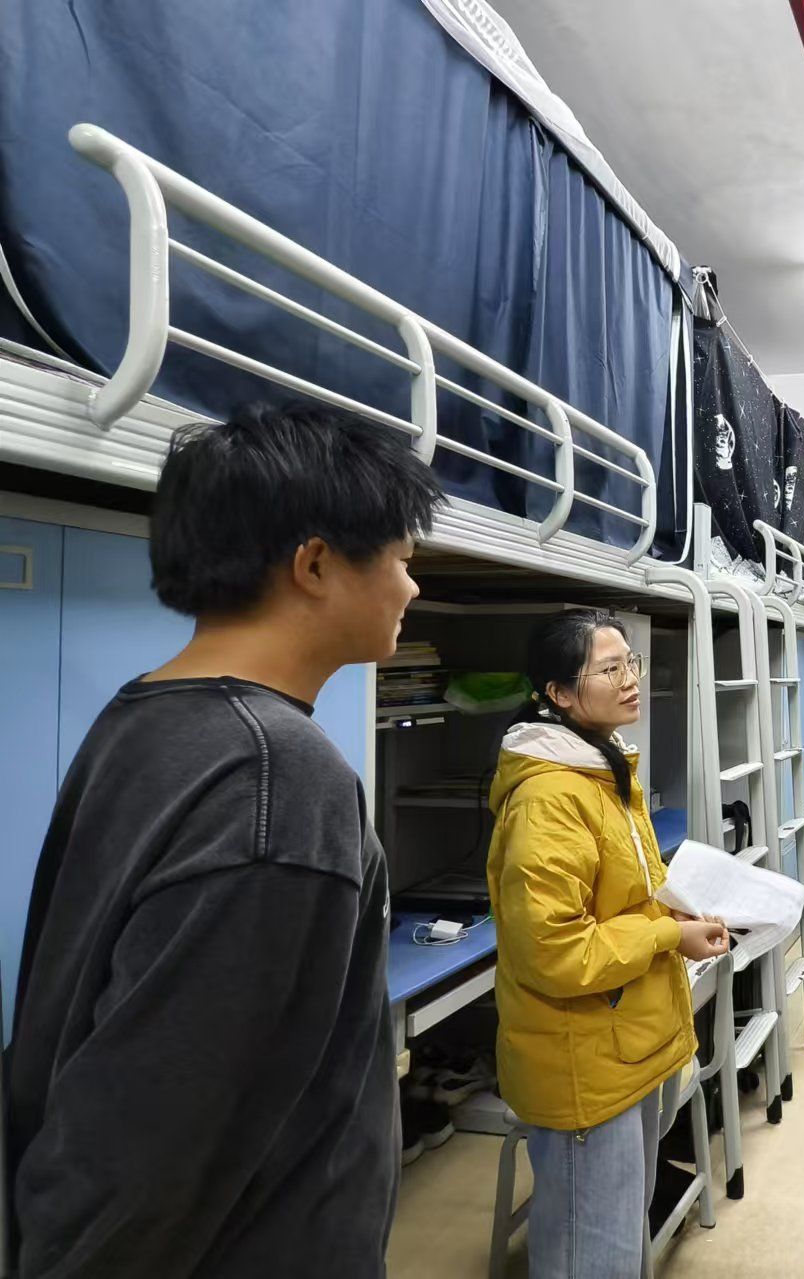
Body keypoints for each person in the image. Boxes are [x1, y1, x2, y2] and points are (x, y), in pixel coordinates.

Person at [7, 403, 443, 1276]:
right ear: (315, 564)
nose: (411, 588)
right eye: (402, 560)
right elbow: (143, 1147)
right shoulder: (279, 777)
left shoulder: (140, 715)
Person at [487, 610, 729, 1277]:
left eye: (632, 663)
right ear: (559, 693)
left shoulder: (602, 767)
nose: (630, 680)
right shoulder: (550, 798)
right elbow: (557, 950)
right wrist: (667, 933)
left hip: (622, 1043)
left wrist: (676, 918)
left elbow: (620, 897)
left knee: (618, 1235)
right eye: (610, 668)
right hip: (584, 1061)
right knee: (591, 1257)